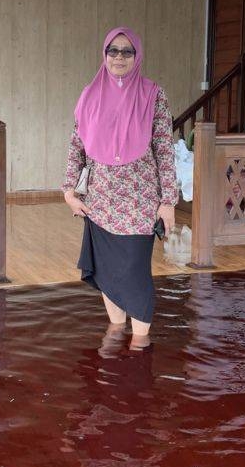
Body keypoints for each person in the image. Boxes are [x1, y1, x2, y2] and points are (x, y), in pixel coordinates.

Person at [62, 26, 178, 350]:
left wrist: (167, 201)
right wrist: (69, 192)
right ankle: (115, 331)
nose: (119, 57)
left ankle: (140, 342)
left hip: (140, 201)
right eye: (113, 50)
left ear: (137, 55)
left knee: (135, 271)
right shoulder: (89, 95)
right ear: (105, 54)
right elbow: (77, 147)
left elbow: (165, 150)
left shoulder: (153, 94)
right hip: (100, 201)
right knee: (108, 270)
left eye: (127, 51)